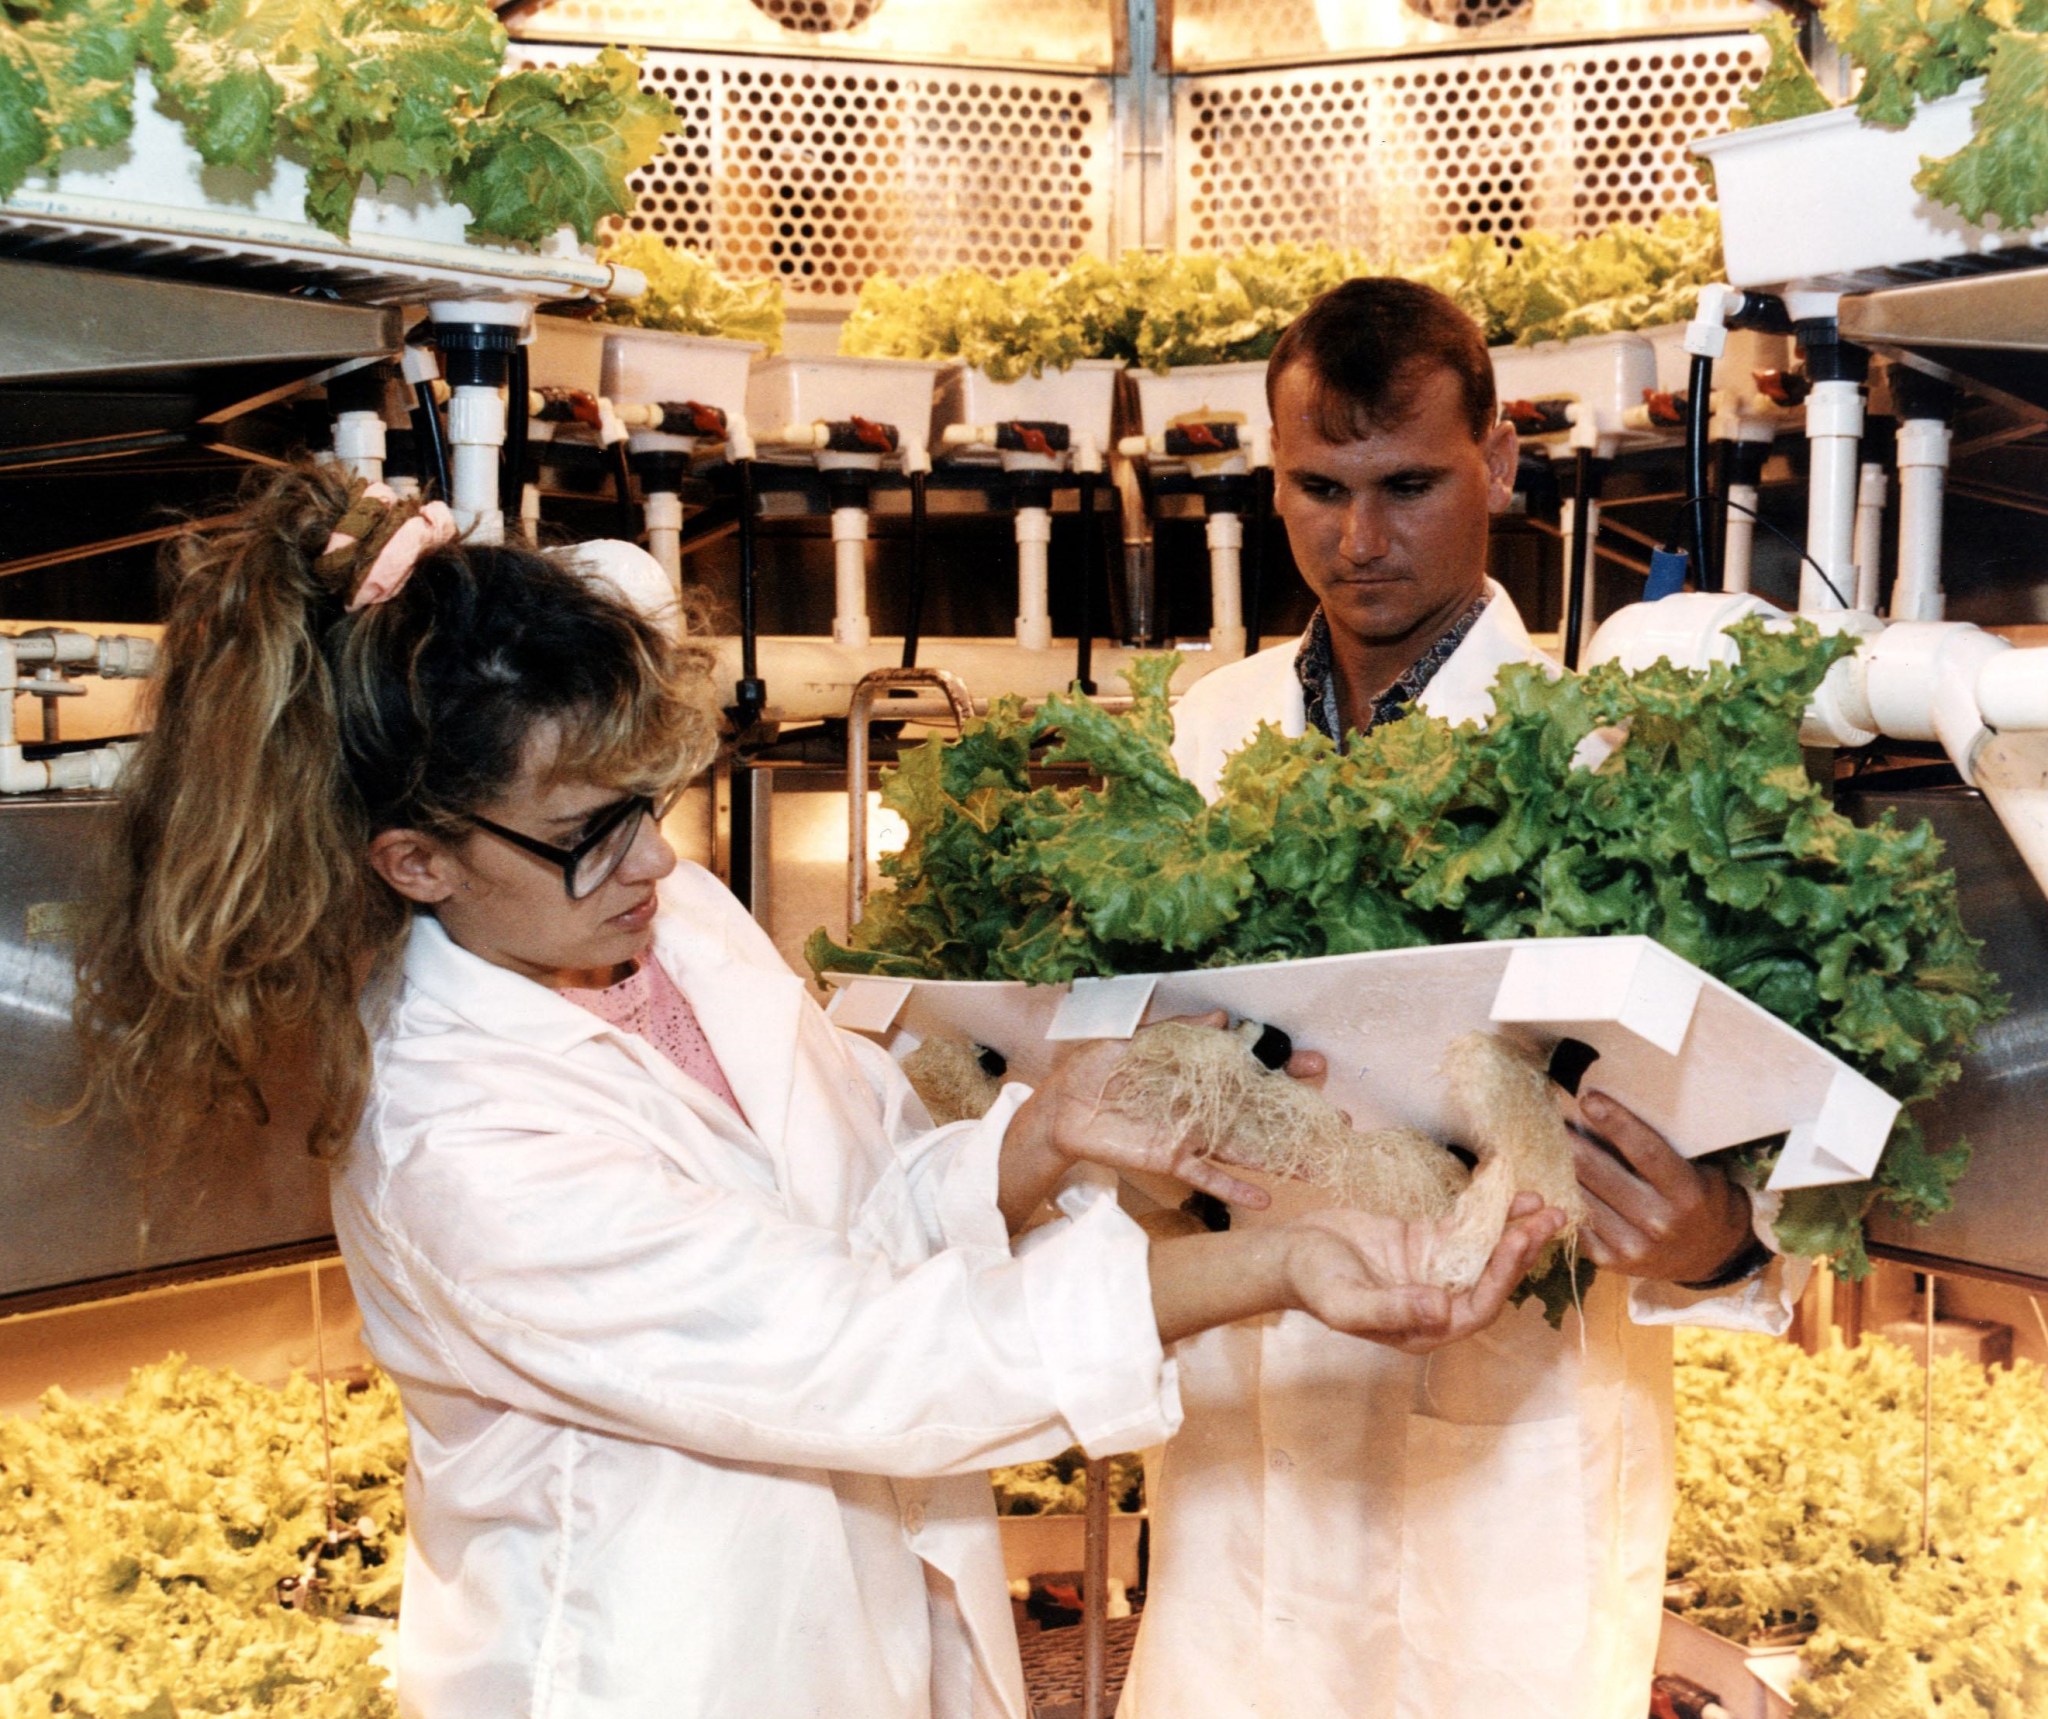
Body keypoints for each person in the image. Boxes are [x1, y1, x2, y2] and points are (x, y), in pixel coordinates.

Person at [72, 464, 1565, 1719]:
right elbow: (852, 1349)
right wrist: (1266, 1267)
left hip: (870, 1633)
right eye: (592, 830)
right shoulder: (452, 1135)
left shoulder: (656, 921)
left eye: (645, 805)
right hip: (663, 1666)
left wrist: (1035, 1140)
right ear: (417, 861)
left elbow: (858, 1200)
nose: (656, 861)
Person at [1119, 279, 1811, 1719]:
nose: (1359, 539)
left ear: (1498, 462)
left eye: (1409, 485)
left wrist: (1712, 1240)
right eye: (1319, 488)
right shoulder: (1206, 731)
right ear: (1273, 472)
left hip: (1512, 1467)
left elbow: (1757, 1157)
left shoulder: (1615, 751)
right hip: (1249, 1449)